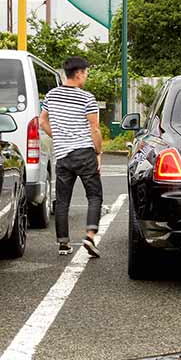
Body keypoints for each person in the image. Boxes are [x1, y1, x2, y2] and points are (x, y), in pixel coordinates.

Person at [39, 56, 103, 258]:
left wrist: (58, 137)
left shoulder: (51, 96)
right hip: (84, 153)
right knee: (94, 196)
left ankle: (63, 243)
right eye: (86, 73)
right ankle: (90, 236)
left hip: (63, 156)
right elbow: (95, 128)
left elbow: (42, 121)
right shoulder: (87, 98)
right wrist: (99, 152)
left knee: (63, 200)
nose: (86, 76)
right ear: (79, 73)